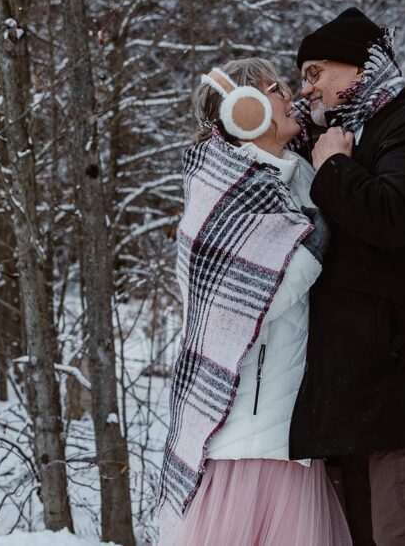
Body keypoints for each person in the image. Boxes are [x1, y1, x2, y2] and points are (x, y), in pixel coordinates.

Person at [288, 8, 405, 545]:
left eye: (315, 72)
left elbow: (392, 216)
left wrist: (333, 169)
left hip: (404, 402)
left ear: (358, 69)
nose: (306, 90)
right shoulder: (353, 137)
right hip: (358, 406)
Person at [156, 58, 352, 546]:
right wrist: (315, 242)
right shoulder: (220, 188)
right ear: (245, 111)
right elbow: (237, 308)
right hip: (247, 431)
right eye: (274, 90)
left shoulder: (296, 176)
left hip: (293, 423)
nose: (289, 98)